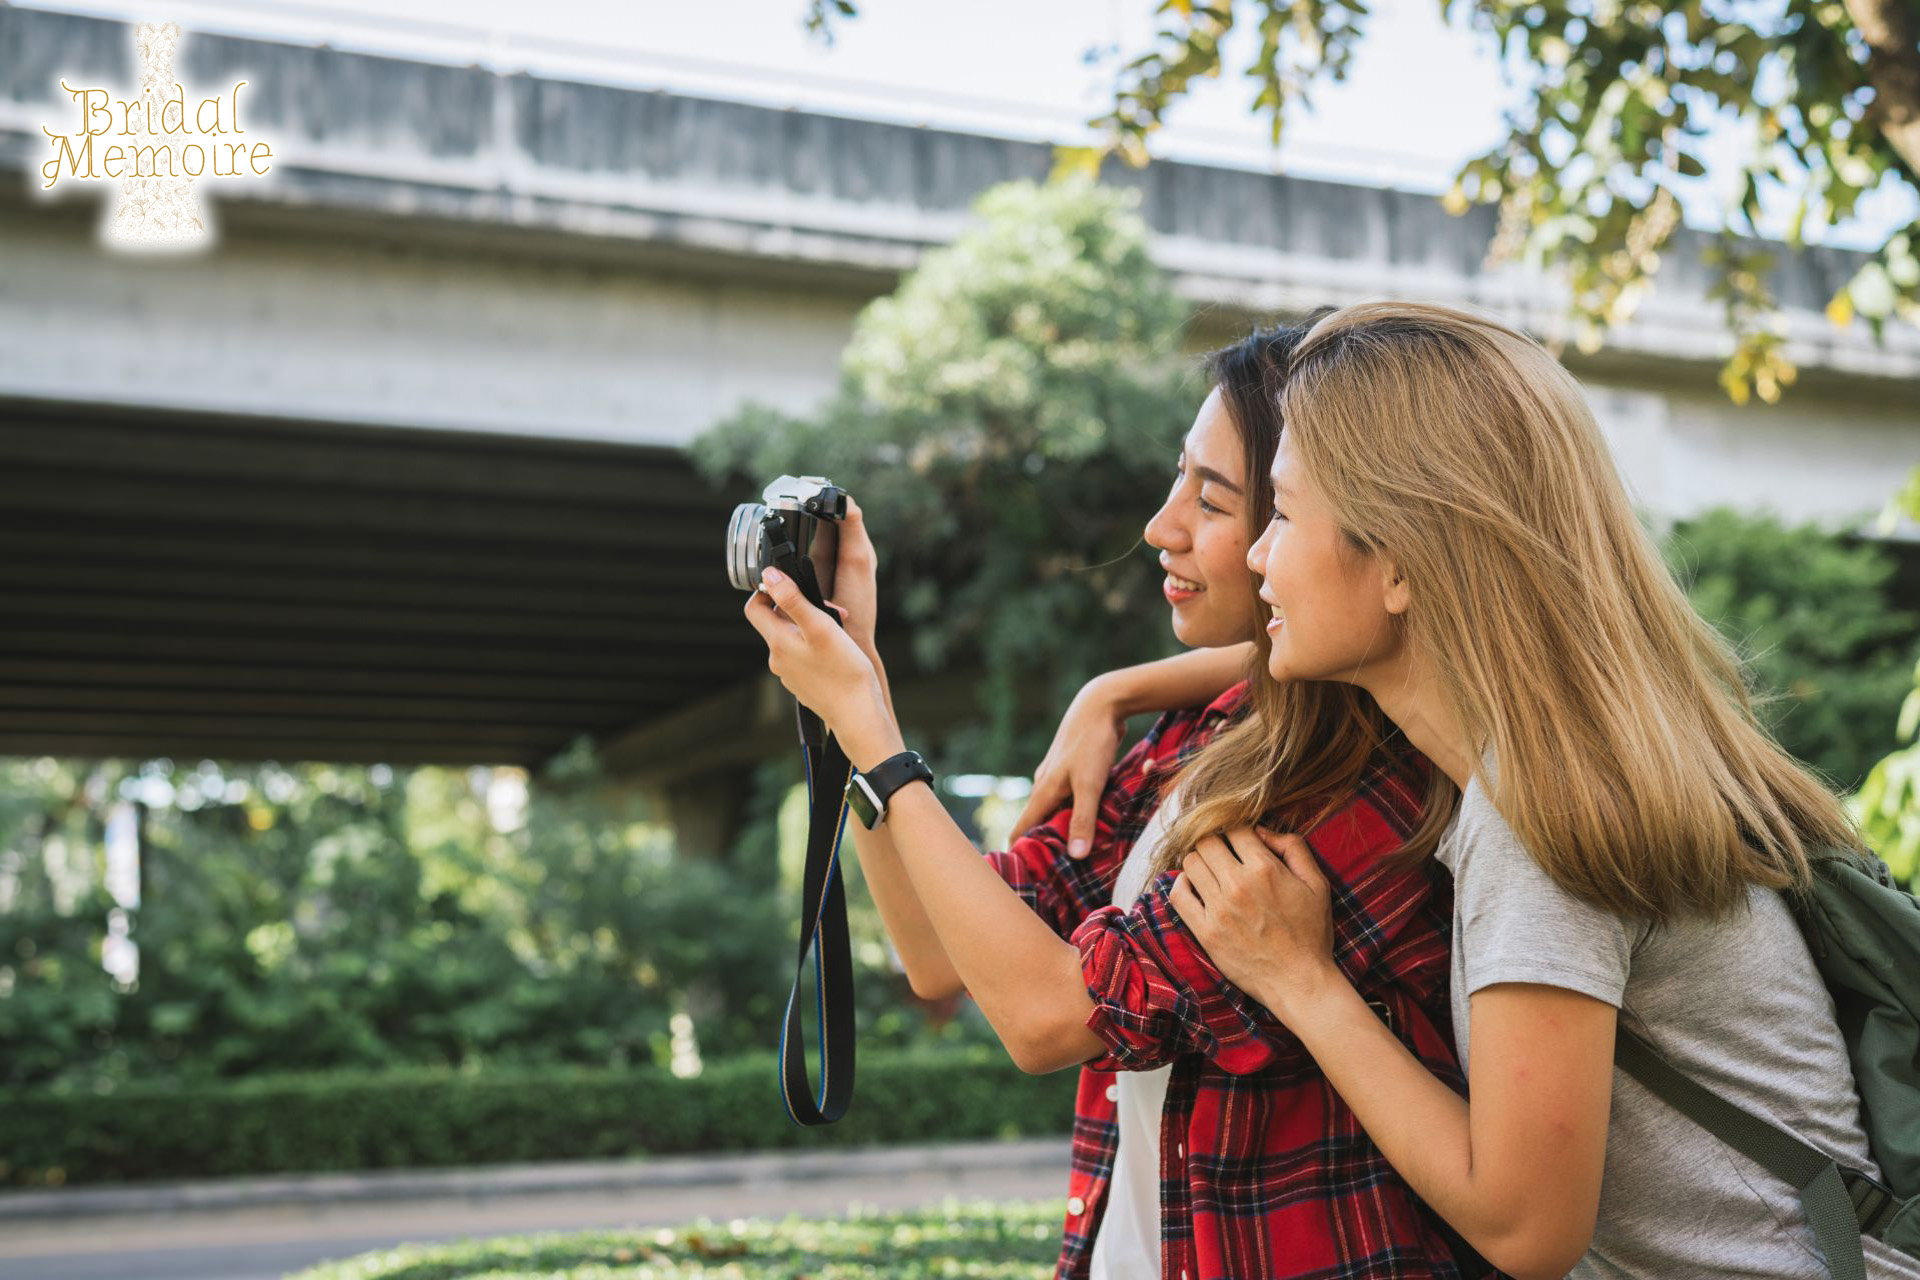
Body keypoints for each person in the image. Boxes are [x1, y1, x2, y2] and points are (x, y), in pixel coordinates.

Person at [1155, 300, 1920, 1279]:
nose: (1259, 551)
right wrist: (1118, 690)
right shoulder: (1587, 750)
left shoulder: (1533, 820)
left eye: (1287, 513)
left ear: (1397, 561)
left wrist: (1302, 982)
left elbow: (1524, 1226)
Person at [741, 324, 1490, 1280]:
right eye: (1178, 480)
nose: (1160, 526)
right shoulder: (1212, 728)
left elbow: (1049, 1018)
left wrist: (874, 736)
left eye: (1213, 500)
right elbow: (939, 955)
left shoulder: (1376, 788)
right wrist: (863, 690)